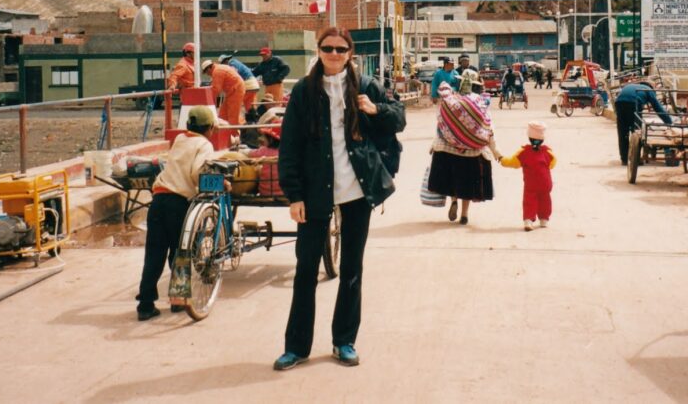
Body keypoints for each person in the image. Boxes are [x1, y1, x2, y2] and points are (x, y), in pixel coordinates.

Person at [273, 27, 406, 371]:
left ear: (350, 53)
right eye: (328, 48)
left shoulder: (366, 86)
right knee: (305, 270)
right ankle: (296, 347)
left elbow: (399, 119)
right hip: (315, 192)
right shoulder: (304, 91)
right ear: (319, 51)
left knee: (351, 269)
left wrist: (376, 109)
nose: (334, 54)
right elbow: (290, 146)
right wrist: (294, 195)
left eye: (340, 49)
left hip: (357, 190)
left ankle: (344, 341)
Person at [135, 106, 217, 321]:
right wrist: (219, 181)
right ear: (210, 128)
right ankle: (178, 300)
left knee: (154, 254)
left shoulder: (180, 139)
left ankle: (145, 305)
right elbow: (198, 172)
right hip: (178, 203)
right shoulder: (205, 145)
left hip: (158, 200)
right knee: (180, 252)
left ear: (188, 125)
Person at [427, 82, 501, 226]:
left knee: (453, 180)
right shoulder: (480, 105)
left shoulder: (450, 102)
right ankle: (464, 214)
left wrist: (434, 144)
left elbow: (442, 127)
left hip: (449, 149)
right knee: (467, 184)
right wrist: (496, 152)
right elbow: (489, 131)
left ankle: (454, 200)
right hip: (472, 153)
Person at [500, 121, 556, 230]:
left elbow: (511, 162)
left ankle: (528, 221)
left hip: (531, 183)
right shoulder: (547, 152)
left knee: (529, 201)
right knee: (545, 200)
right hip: (545, 183)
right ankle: (544, 219)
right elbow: (553, 164)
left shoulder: (524, 152)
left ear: (529, 137)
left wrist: (501, 159)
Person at [614, 82, 673, 165]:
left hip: (619, 103)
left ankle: (624, 159)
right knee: (637, 132)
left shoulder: (631, 86)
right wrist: (669, 122)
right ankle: (636, 159)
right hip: (633, 103)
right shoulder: (649, 90)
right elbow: (658, 108)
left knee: (623, 132)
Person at [201, 59, 245, 128]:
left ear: (209, 68)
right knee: (223, 115)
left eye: (206, 72)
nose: (208, 74)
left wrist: (209, 103)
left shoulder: (217, 71)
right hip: (233, 91)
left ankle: (235, 132)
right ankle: (226, 131)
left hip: (235, 91)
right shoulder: (220, 68)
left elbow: (216, 90)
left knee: (233, 115)